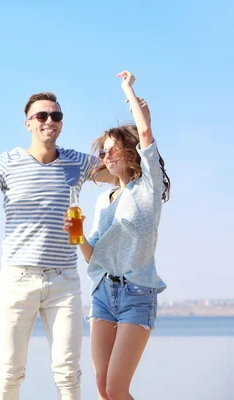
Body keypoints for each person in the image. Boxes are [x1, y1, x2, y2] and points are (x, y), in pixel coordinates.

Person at [0, 89, 115, 399]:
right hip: (18, 278)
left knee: (68, 371)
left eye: (56, 116)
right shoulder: (9, 161)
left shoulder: (77, 162)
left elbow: (122, 174)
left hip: (64, 280)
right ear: (28, 123)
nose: (49, 121)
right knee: (11, 370)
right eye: (41, 115)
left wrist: (126, 144)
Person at [63, 70, 170, 400]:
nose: (106, 156)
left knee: (116, 387)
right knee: (101, 387)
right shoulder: (103, 201)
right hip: (102, 294)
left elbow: (146, 132)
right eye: (103, 152)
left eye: (112, 149)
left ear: (130, 151)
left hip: (137, 294)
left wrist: (128, 90)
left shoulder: (148, 187)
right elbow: (93, 256)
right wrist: (78, 235)